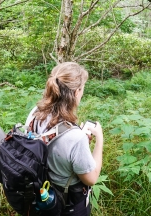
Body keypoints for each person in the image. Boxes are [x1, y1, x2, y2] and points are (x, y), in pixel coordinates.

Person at [24, 62, 103, 216]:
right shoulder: (76, 138)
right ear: (76, 92)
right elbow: (91, 179)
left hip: (41, 193)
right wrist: (99, 139)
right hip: (68, 203)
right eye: (82, 89)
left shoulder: (35, 113)